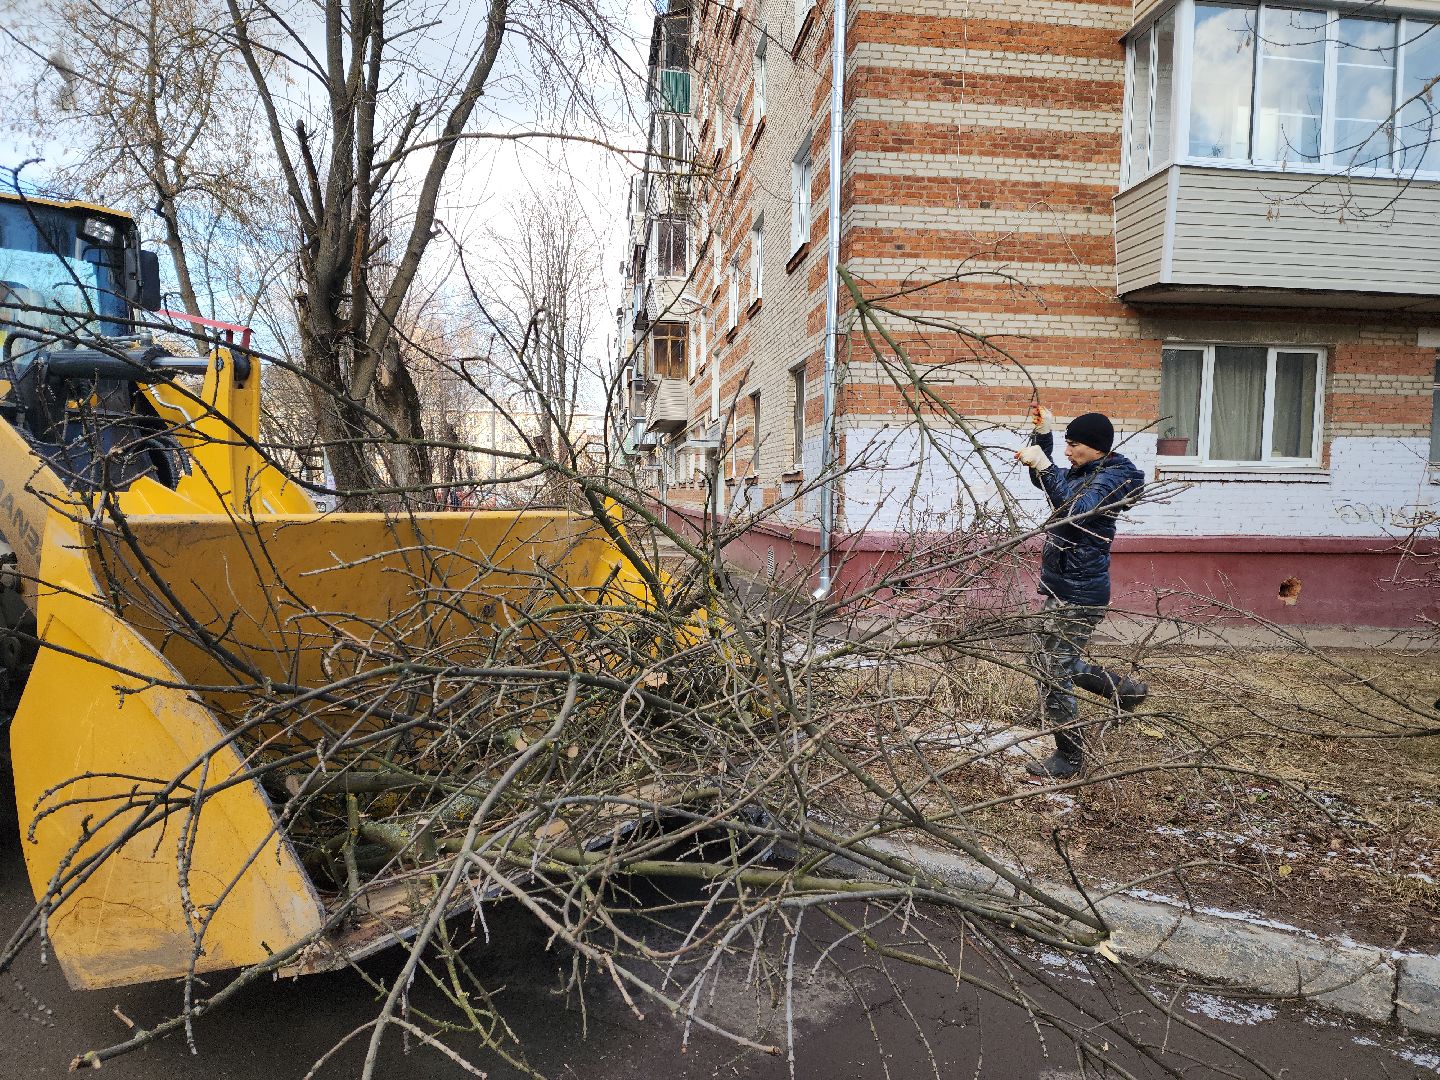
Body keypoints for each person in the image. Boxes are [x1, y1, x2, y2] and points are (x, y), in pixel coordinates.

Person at [1016, 405, 1148, 780]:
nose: (1068, 452)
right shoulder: (1087, 471)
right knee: (1050, 661)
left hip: (1080, 592)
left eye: (1075, 445)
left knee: (1051, 669)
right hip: (1063, 585)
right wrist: (1043, 439)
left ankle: (1070, 756)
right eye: (1067, 443)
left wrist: (1044, 464)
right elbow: (1048, 483)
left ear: (1097, 447)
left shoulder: (1112, 479)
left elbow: (1074, 510)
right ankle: (1124, 690)